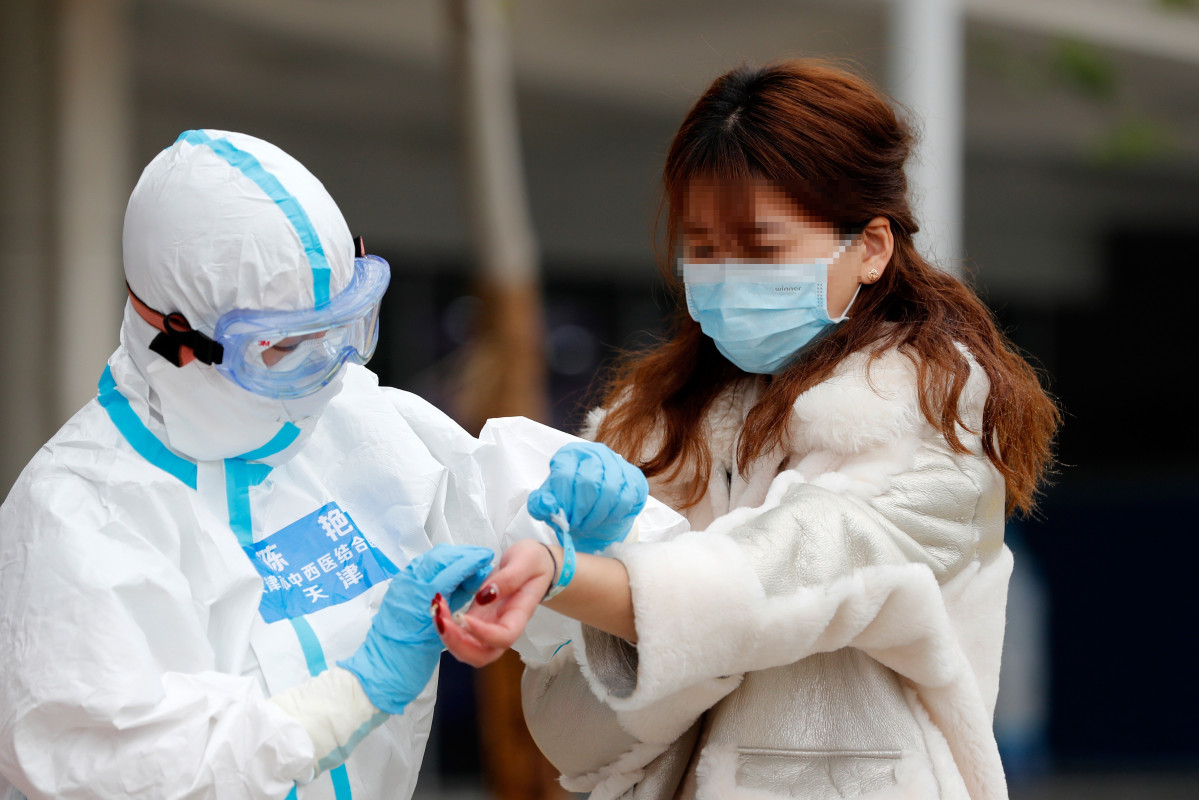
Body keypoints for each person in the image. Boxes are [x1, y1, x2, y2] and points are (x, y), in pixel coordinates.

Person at [437, 60, 1060, 800]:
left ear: (870, 247)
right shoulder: (651, 422)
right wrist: (548, 589)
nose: (727, 275)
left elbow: (809, 558)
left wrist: (574, 578)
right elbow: (572, 732)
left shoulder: (933, 411)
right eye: (702, 249)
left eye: (762, 249)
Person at [0, 130, 684, 800]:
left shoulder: (355, 424)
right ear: (177, 339)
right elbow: (110, 770)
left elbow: (537, 551)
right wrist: (354, 692)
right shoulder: (78, 510)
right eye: (286, 347)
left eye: (343, 326)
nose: (330, 369)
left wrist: (581, 538)